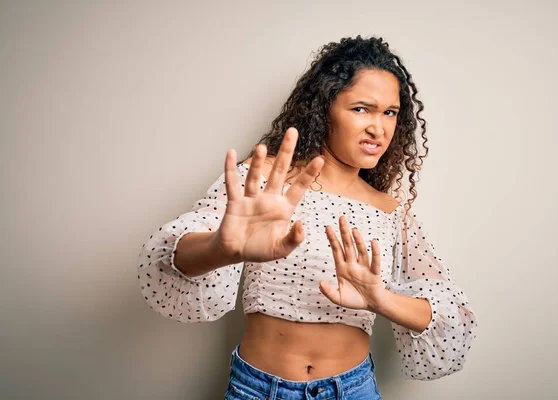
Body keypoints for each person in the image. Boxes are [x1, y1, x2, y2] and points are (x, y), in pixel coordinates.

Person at [138, 36, 477, 400]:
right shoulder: (264, 180)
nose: (378, 129)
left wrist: (381, 299)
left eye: (390, 113)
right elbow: (171, 259)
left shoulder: (389, 211)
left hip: (354, 390)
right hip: (258, 389)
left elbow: (449, 317)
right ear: (324, 108)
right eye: (362, 109)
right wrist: (221, 248)